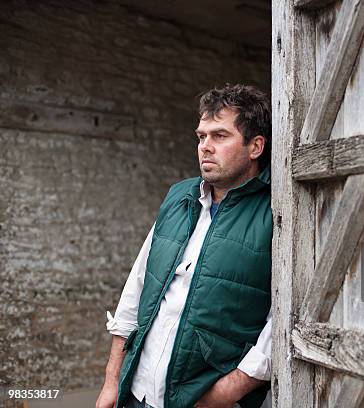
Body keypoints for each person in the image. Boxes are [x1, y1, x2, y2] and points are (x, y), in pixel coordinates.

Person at [96, 84, 273, 408]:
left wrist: (230, 390)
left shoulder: (276, 211)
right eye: (201, 136)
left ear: (255, 147)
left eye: (219, 136)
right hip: (138, 392)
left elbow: (283, 319)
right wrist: (112, 380)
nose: (205, 147)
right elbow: (137, 288)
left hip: (202, 398)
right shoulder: (179, 197)